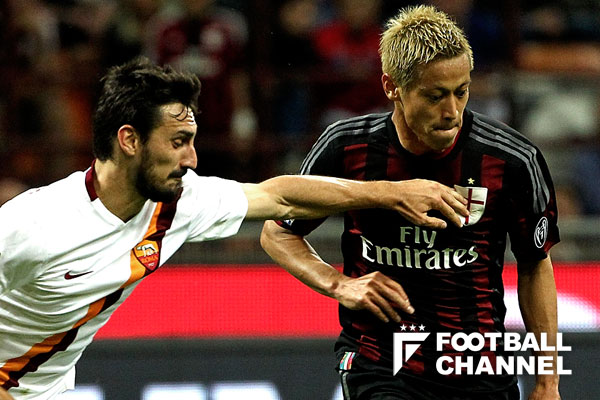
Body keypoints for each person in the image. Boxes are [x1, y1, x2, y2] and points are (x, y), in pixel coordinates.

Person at [0, 57, 468, 399]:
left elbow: (279, 196)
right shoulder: (33, 225)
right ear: (129, 140)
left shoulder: (179, 202)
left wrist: (390, 193)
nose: (192, 159)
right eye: (178, 142)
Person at [261, 5, 561, 400]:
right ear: (392, 87)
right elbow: (277, 233)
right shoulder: (344, 147)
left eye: (461, 92)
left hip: (479, 367)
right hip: (380, 362)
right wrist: (339, 284)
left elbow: (535, 264)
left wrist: (547, 382)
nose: (451, 112)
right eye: (435, 96)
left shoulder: (512, 159)